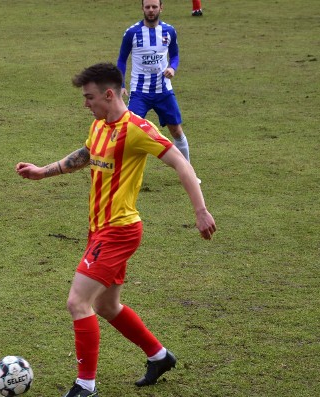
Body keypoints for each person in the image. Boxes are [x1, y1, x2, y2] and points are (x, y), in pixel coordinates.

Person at [15, 63, 216, 397]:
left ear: (109, 94)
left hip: (119, 231)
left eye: (89, 97)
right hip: (99, 230)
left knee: (78, 302)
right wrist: (42, 172)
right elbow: (84, 155)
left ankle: (86, 386)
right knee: (107, 306)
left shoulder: (137, 129)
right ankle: (159, 356)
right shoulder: (98, 125)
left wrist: (200, 210)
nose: (85, 104)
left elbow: (181, 163)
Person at [117, 0, 194, 167]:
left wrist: (172, 68)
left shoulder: (169, 31)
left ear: (161, 8)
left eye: (154, 7)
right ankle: (122, 170)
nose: (151, 10)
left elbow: (174, 55)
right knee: (129, 132)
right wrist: (121, 85)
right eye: (147, 7)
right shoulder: (132, 33)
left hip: (163, 91)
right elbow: (122, 60)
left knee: (176, 131)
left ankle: (188, 171)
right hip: (140, 92)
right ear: (142, 8)